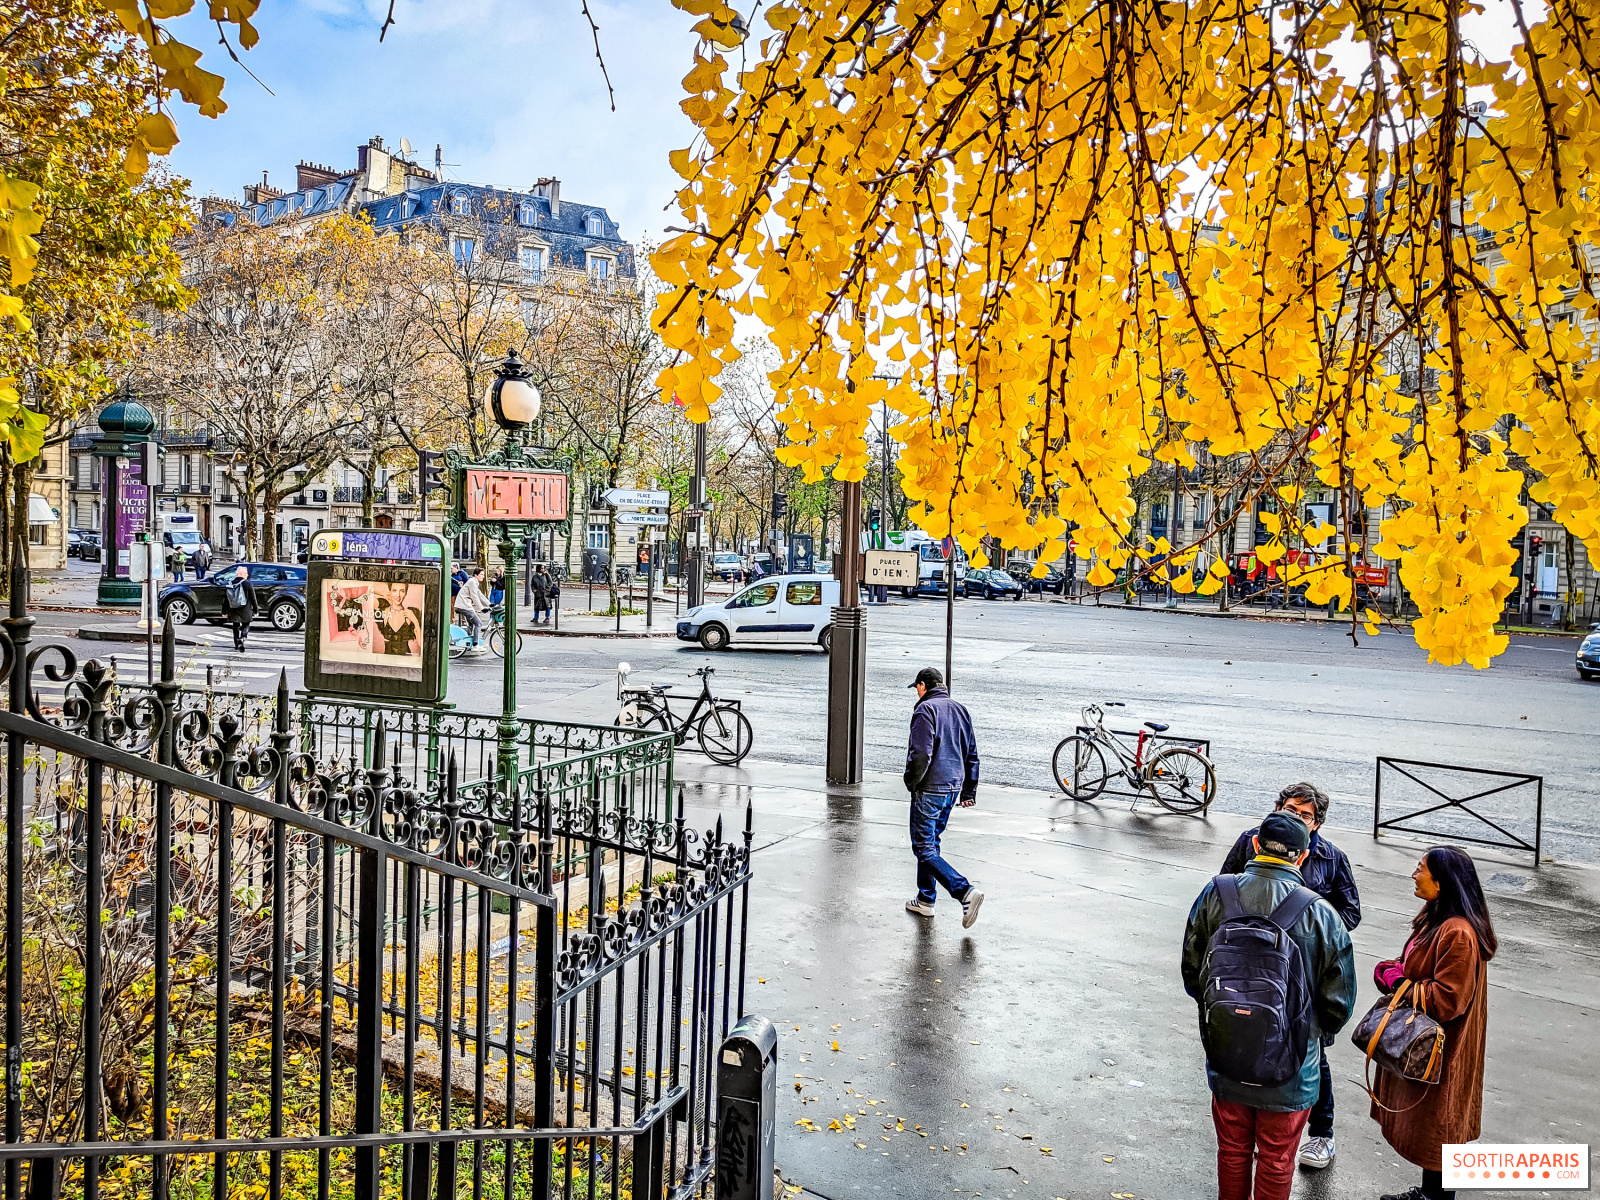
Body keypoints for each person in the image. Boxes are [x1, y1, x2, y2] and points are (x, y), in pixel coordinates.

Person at [1182, 811, 1357, 1200]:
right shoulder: (1320, 912)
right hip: (1292, 1062)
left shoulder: (1217, 893)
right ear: (1303, 856)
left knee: (1231, 1149)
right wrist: (1310, 1031)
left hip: (1227, 1053)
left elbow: (1193, 971)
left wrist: (1227, 1015)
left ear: (1256, 845)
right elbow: (1338, 1002)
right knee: (1277, 1158)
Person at [1221, 782, 1361, 1170]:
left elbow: (1350, 912)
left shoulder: (1332, 858)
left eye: (1305, 815)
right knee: (1246, 1042)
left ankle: (1322, 1133)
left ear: (1317, 823)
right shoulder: (1251, 842)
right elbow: (1227, 891)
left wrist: (1313, 926)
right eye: (1290, 809)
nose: (1296, 818)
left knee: (1312, 1056)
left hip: (1305, 975)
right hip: (1249, 970)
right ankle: (1249, 1123)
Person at [1372, 847, 1496, 1200]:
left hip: (1446, 1049)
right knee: (1433, 1129)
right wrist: (1396, 968)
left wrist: (1398, 983)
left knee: (1441, 1127)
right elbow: (1418, 965)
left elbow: (1447, 1000)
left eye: (1420, 868)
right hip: (1432, 1046)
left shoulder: (1458, 933)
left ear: (1442, 883)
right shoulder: (1437, 918)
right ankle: (1428, 1195)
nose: (1414, 874)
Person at [902, 666, 984, 928]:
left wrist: (911, 781)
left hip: (930, 788)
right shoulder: (960, 709)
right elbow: (972, 754)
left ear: (923, 686)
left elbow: (921, 754)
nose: (916, 692)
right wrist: (969, 791)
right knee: (931, 845)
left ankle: (963, 891)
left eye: (917, 687)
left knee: (923, 847)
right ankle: (925, 900)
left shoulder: (925, 710)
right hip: (952, 789)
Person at [223, 564, 256, 653]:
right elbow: (253, 598)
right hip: (245, 609)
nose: (247, 575)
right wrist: (256, 610)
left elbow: (226, 599)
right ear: (242, 574)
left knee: (235, 626)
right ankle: (243, 637)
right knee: (246, 624)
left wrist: (224, 611)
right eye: (246, 573)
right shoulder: (248, 584)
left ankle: (237, 643)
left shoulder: (230, 584)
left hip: (233, 609)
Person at [454, 568, 490, 648]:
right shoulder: (472, 582)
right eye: (481, 574)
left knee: (471, 625)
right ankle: (475, 644)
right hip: (464, 606)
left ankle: (468, 642)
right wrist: (481, 608)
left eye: (483, 575)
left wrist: (490, 604)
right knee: (478, 624)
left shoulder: (474, 582)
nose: (483, 576)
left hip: (463, 605)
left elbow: (479, 594)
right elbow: (474, 597)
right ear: (476, 575)